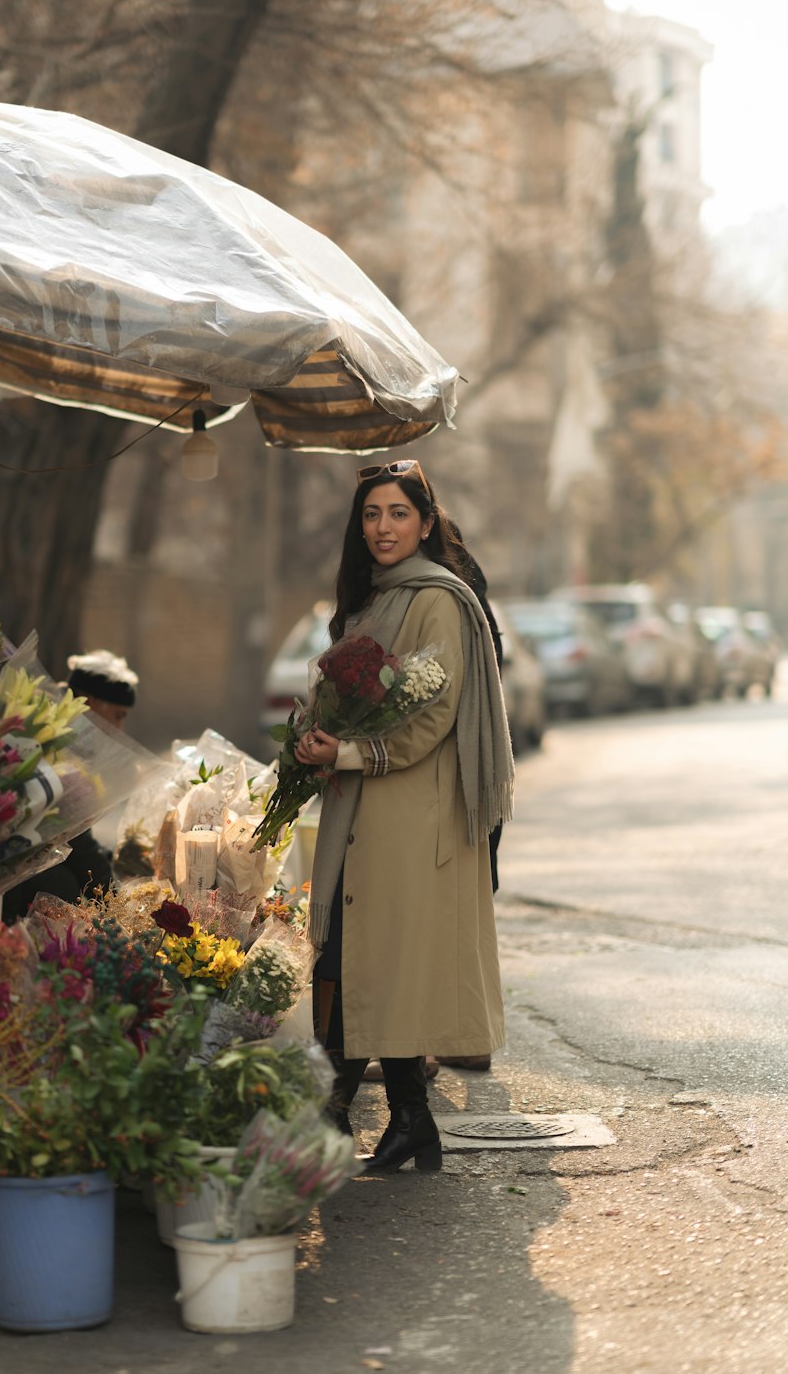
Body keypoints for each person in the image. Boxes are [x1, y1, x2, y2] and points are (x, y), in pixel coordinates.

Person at [298, 458, 514, 1170]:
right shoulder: (370, 599)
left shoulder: (438, 600)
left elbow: (434, 715)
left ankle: (407, 1118)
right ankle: (408, 1120)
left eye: (397, 513)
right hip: (370, 813)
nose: (382, 527)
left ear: (426, 522)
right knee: (365, 959)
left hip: (410, 814)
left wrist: (352, 752)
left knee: (382, 961)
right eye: (370, 514)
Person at [1, 649, 139, 923]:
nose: (119, 728)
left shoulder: (67, 733)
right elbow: (75, 839)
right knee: (63, 890)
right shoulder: (51, 737)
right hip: (11, 878)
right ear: (90, 702)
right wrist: (117, 905)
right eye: (118, 715)